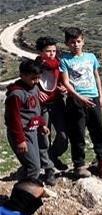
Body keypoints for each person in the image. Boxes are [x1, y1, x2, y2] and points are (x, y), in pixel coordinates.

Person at [59, 27, 102, 179]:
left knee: (98, 131)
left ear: (83, 41)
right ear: (67, 43)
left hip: (93, 98)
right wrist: (78, 97)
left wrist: (100, 96)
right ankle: (79, 165)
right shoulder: (65, 60)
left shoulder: (91, 57)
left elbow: (96, 77)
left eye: (78, 41)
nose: (76, 44)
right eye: (72, 42)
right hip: (75, 101)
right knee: (77, 132)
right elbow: (66, 82)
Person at [6, 60, 52, 184]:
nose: (36, 81)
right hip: (22, 134)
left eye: (38, 78)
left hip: (33, 132)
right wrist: (20, 140)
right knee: (34, 167)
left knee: (32, 163)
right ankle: (27, 195)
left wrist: (42, 125)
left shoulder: (34, 88)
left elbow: (35, 111)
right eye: (33, 78)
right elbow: (13, 120)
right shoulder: (16, 95)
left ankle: (22, 184)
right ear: (22, 75)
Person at [33, 36, 69, 177]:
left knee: (63, 136)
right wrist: (37, 92)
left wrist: (63, 88)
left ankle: (52, 157)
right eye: (48, 51)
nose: (52, 54)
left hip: (57, 103)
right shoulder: (34, 67)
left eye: (54, 51)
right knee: (43, 136)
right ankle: (48, 165)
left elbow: (63, 81)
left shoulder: (59, 65)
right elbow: (27, 82)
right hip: (42, 106)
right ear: (40, 52)